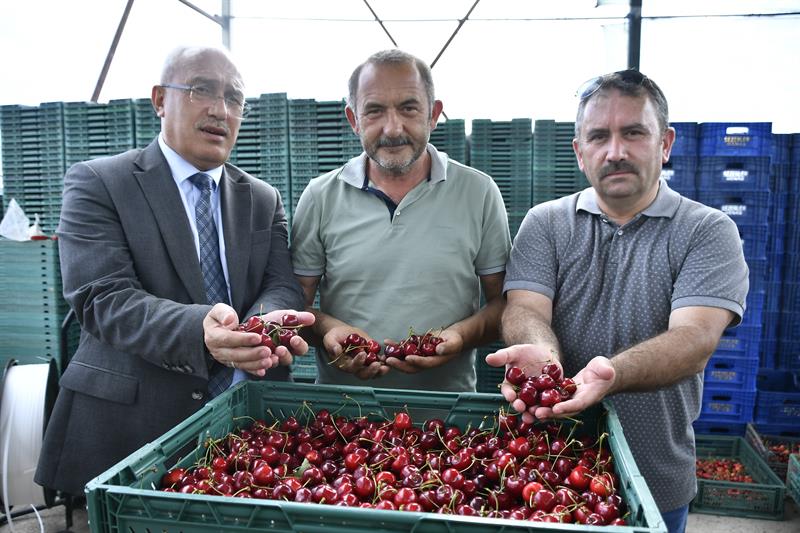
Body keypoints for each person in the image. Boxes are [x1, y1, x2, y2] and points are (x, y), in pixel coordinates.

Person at [35, 46, 311, 496]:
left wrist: (262, 326)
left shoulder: (262, 198)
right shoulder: (101, 182)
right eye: (202, 90)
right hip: (133, 429)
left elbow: (280, 283)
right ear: (160, 100)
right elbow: (103, 298)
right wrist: (200, 330)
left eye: (234, 98)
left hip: (245, 426)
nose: (221, 110)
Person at [486, 70, 748, 533]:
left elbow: (695, 338)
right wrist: (543, 356)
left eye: (633, 133)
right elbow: (525, 308)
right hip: (545, 472)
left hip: (655, 478)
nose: (615, 152)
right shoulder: (545, 223)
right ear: (579, 152)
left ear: (665, 143)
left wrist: (614, 373)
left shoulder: (707, 231)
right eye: (598, 137)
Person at [290, 49, 511, 392]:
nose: (393, 129)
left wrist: (459, 337)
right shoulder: (320, 197)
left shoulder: (478, 192)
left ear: (433, 114)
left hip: (447, 410)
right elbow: (295, 307)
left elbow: (504, 305)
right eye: (374, 111)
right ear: (353, 119)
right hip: (341, 410)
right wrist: (329, 332)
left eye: (409, 108)